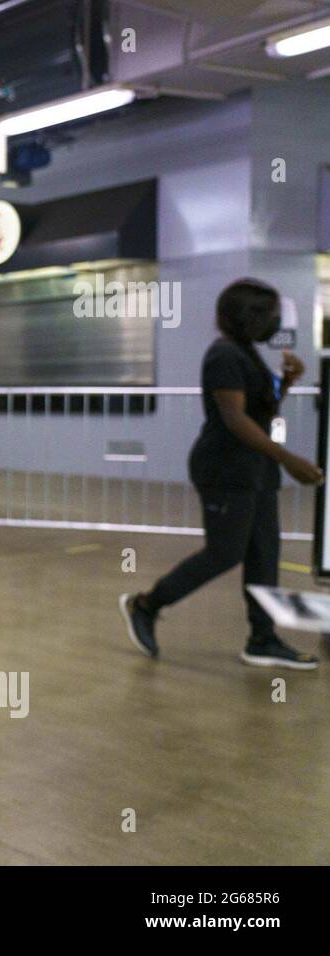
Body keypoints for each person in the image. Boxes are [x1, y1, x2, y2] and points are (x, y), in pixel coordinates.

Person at [120, 279, 321, 670]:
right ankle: (145, 605)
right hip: (225, 469)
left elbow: (261, 413)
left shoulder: (245, 352)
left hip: (255, 470)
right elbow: (234, 420)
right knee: (225, 552)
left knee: (265, 554)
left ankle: (262, 639)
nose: (277, 321)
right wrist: (288, 459)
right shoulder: (223, 356)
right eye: (271, 315)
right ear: (250, 317)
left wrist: (288, 382)